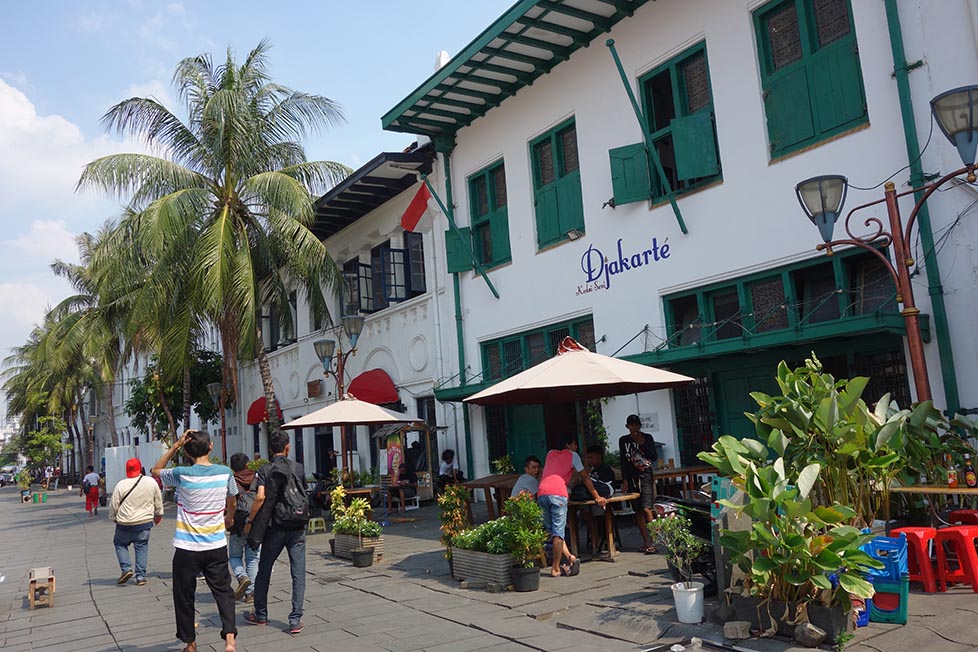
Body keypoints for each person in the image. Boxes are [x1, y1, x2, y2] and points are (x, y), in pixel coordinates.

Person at [152, 430, 238, 652]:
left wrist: (175, 446)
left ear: (188, 453)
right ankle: (230, 639)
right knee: (224, 592)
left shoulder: (181, 473)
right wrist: (229, 517)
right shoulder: (226, 472)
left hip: (186, 547)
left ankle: (190, 644)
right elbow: (233, 499)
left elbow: (156, 470)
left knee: (184, 595)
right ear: (211, 447)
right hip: (216, 545)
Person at [243, 431, 308, 635]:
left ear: (270, 449)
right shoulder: (298, 467)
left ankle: (260, 613)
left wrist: (251, 521)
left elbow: (260, 497)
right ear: (287, 447)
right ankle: (295, 619)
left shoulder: (265, 469)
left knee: (264, 569)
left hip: (275, 527)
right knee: (298, 572)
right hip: (297, 525)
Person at [538, 436, 606, 577]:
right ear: (568, 444)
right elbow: (585, 477)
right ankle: (555, 568)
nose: (576, 447)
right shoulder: (573, 455)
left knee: (553, 530)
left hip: (542, 492)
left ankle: (570, 556)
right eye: (575, 444)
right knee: (558, 533)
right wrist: (597, 496)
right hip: (558, 494)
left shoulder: (550, 453)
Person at [110, 458, 164, 586]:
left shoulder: (121, 484)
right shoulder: (150, 482)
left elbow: (114, 504)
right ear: (140, 468)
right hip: (144, 522)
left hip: (124, 523)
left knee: (119, 543)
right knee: (141, 547)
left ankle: (126, 568)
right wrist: (158, 514)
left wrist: (113, 517)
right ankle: (140, 577)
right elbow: (158, 499)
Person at [619, 414, 658, 554]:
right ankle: (646, 540)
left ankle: (654, 540)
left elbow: (653, 456)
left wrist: (642, 443)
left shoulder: (647, 438)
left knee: (647, 508)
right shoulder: (623, 441)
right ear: (627, 426)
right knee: (638, 511)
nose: (634, 428)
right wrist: (624, 479)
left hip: (645, 475)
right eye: (631, 425)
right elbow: (624, 460)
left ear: (639, 426)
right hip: (632, 478)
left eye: (636, 425)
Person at [227, 453, 260, 603]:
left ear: (232, 467)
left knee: (234, 556)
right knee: (253, 558)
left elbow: (229, 503)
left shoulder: (231, 480)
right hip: (254, 523)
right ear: (247, 464)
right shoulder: (257, 478)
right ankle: (250, 593)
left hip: (237, 524)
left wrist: (228, 519)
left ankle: (242, 576)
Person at [579, 446, 616, 555]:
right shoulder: (591, 471)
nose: (589, 460)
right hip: (592, 503)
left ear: (599, 457)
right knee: (583, 509)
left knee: (600, 514)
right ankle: (595, 536)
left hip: (602, 503)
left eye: (592, 457)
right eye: (588, 458)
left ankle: (602, 538)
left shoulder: (606, 470)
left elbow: (605, 489)